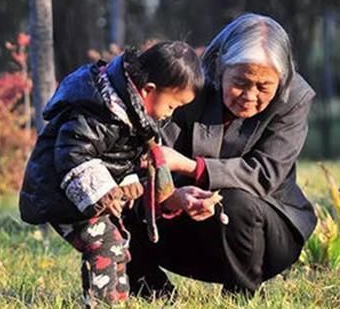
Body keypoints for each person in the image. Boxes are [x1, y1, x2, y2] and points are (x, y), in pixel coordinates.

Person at [125, 13, 317, 297]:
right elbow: (149, 155)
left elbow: (265, 174)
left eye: (264, 87)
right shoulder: (186, 84)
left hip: (263, 234)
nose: (250, 96)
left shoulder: (295, 97)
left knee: (235, 200)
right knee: (117, 195)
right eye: (240, 82)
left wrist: (192, 167)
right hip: (181, 219)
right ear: (219, 67)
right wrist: (173, 195)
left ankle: (241, 293)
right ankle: (152, 290)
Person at [19, 41, 214, 307]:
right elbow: (72, 154)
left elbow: (117, 157)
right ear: (148, 91)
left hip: (86, 196)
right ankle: (103, 302)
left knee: (118, 243)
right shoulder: (100, 111)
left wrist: (128, 180)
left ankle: (117, 297)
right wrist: (104, 190)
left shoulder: (132, 116)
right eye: (172, 106)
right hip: (64, 195)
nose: (171, 115)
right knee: (105, 243)